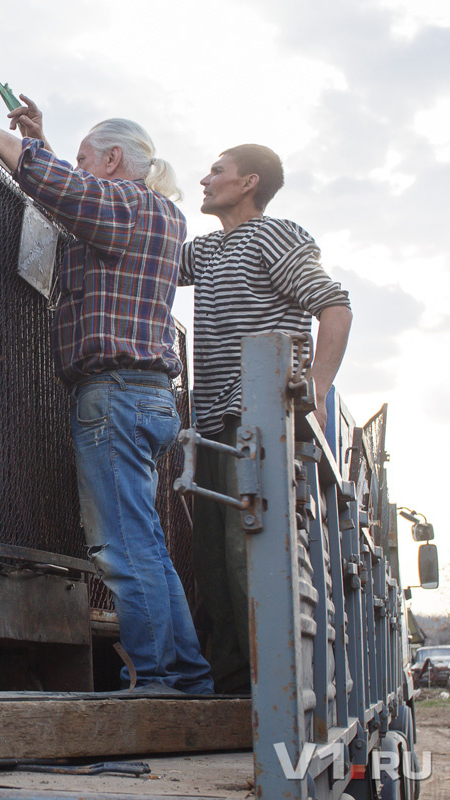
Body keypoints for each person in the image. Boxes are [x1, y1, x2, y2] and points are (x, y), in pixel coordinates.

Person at [0, 96, 213, 694]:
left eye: (88, 156)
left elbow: (57, 184)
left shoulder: (125, 203)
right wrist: (37, 140)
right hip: (147, 397)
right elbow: (65, 191)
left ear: (115, 159)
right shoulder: (159, 213)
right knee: (147, 544)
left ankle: (162, 676)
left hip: (113, 395)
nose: (79, 163)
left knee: (120, 548)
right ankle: (187, 672)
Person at [182, 144, 352, 694]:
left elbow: (334, 305)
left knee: (244, 556)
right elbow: (139, 247)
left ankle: (271, 692)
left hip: (253, 419)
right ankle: (236, 692)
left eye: (218, 171)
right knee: (213, 562)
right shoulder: (206, 252)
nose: (205, 179)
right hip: (208, 426)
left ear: (249, 182)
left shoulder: (274, 236)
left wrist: (317, 389)